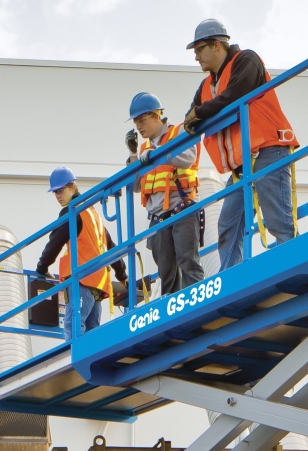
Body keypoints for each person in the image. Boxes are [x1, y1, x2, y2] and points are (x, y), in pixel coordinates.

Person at [182, 18, 298, 270]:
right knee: (228, 224)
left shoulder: (246, 60)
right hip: (241, 167)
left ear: (216, 45)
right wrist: (197, 114)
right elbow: (192, 116)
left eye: (199, 50)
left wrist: (200, 113)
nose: (196, 58)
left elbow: (235, 94)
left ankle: (291, 265)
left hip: (268, 149)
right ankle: (229, 279)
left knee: (277, 218)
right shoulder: (206, 86)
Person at [35, 168, 126, 339]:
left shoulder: (72, 212)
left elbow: (54, 243)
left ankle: (75, 365)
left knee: (73, 326)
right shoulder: (92, 213)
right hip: (98, 283)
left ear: (73, 188)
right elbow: (110, 246)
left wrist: (42, 267)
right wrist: (122, 274)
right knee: (92, 331)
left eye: (61, 191)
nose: (58, 196)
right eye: (55, 192)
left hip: (82, 279)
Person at [129, 91, 204, 296]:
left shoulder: (179, 131)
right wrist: (133, 155)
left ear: (156, 116)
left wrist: (158, 154)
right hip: (158, 218)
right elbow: (135, 187)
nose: (139, 127)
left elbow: (189, 156)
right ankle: (173, 310)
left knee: (188, 261)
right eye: (136, 123)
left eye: (142, 120)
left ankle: (196, 304)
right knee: (166, 272)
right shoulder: (144, 148)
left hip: (182, 208)